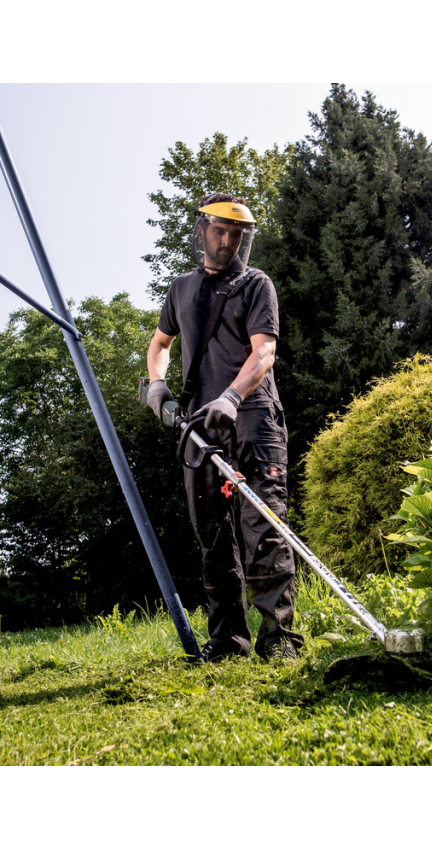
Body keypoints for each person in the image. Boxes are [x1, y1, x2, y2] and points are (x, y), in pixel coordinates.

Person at [146, 194, 303, 663]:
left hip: (252, 418)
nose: (228, 241)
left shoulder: (256, 284)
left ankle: (278, 639)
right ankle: (228, 642)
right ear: (201, 230)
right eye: (220, 231)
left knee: (264, 526)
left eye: (237, 234)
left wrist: (232, 397)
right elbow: (160, 344)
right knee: (212, 535)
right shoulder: (180, 289)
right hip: (199, 425)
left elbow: (264, 352)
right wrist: (157, 383)